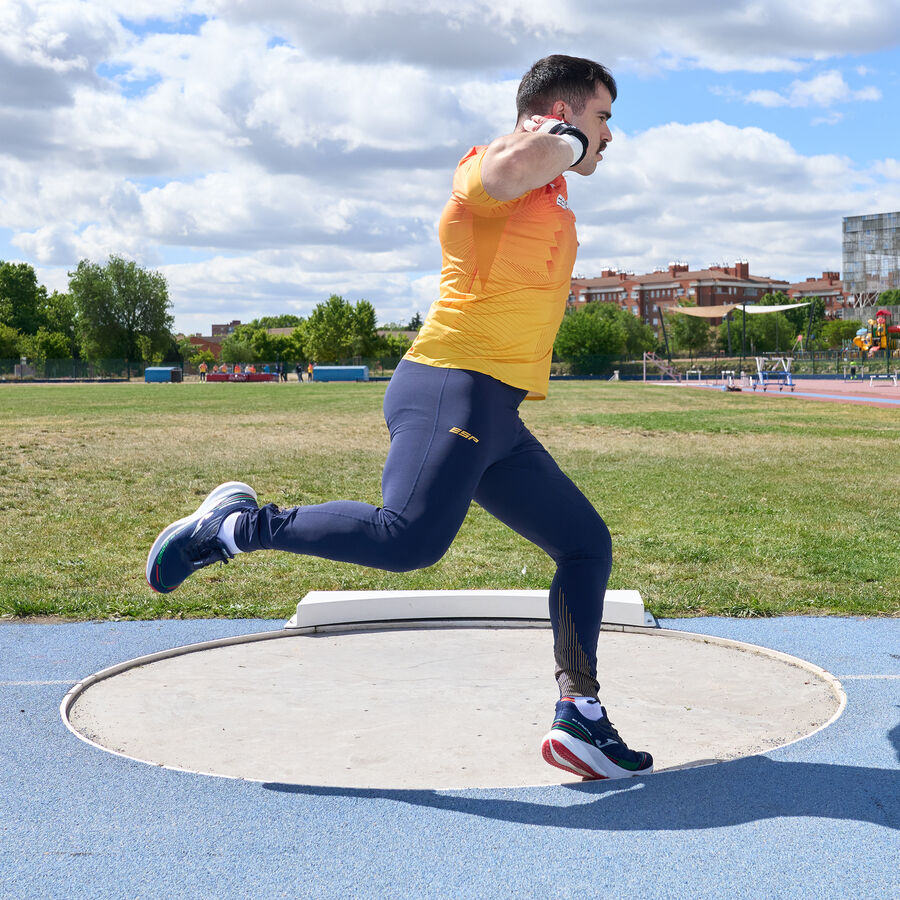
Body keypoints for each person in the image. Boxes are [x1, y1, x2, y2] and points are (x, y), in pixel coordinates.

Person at [146, 55, 651, 782]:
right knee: (408, 540)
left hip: (495, 407)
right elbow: (510, 167)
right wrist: (569, 137)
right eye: (604, 118)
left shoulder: (551, 190)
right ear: (562, 115)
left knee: (584, 545)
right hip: (449, 384)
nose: (610, 136)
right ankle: (229, 528)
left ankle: (581, 714)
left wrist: (566, 147)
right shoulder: (489, 168)